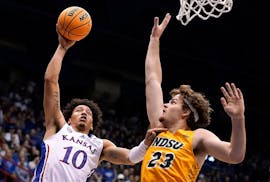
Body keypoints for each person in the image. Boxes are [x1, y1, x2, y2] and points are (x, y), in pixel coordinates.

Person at [31, 28, 167, 182]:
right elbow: (50, 81)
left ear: (92, 125)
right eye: (79, 110)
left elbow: (131, 157)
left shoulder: (100, 145)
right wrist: (62, 48)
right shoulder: (57, 126)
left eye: (88, 113)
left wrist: (146, 144)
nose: (84, 113)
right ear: (69, 119)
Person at [141, 13, 246, 181]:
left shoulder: (198, 137)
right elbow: (152, 80)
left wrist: (238, 118)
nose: (165, 105)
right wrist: (154, 40)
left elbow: (234, 155)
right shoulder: (157, 127)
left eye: (173, 102)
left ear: (185, 112)